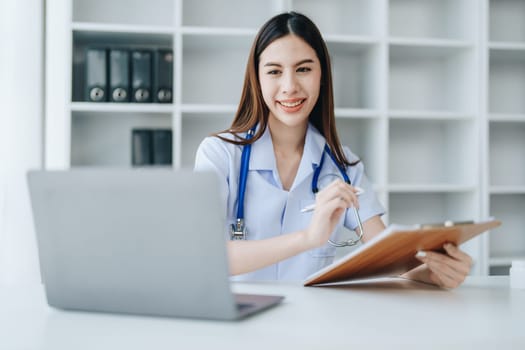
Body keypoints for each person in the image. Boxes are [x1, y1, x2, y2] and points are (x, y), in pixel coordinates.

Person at [194, 12, 472, 288]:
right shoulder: (220, 154)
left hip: (312, 324)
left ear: (322, 75)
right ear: (257, 79)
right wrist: (308, 237)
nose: (289, 87)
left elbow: (389, 257)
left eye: (303, 69)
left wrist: (432, 272)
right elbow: (207, 256)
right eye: (274, 71)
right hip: (240, 322)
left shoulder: (343, 165)